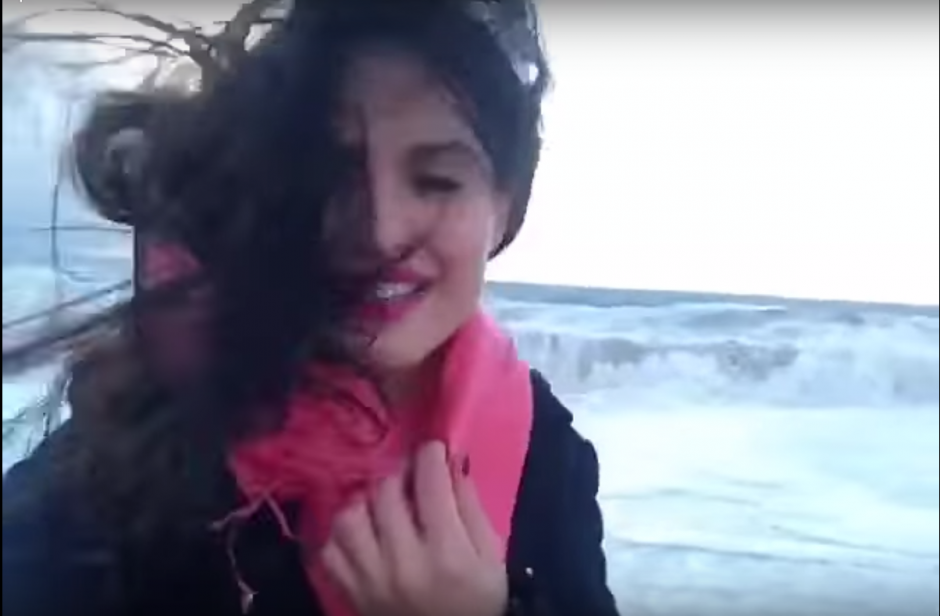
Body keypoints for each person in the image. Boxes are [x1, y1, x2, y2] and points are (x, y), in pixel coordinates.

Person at [3, 1, 619, 615]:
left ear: (504, 211)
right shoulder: (158, 431)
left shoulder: (546, 451)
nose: (381, 231)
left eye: (437, 181)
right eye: (334, 175)